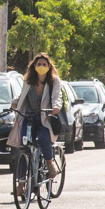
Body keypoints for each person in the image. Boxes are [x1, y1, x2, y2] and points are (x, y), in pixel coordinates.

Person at [13, 52, 62, 181]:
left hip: (45, 118)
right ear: (34, 66)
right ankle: (21, 183)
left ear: (49, 66)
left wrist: (55, 108)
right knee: (24, 145)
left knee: (43, 139)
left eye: (44, 64)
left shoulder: (54, 81)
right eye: (39, 64)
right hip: (29, 118)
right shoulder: (28, 80)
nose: (41, 66)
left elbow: (57, 97)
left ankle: (49, 163)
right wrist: (14, 102)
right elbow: (22, 95)